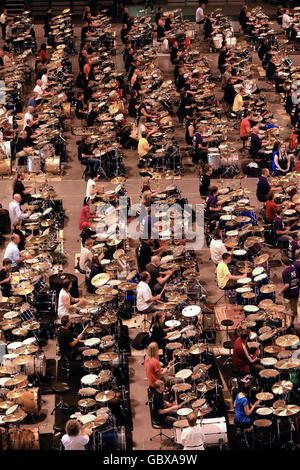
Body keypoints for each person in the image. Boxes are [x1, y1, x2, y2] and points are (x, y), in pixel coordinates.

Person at [280, 256, 299, 324]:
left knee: (287, 310)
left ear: (282, 263)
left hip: (288, 294)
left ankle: (288, 324)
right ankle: (292, 323)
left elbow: (287, 285)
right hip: (296, 291)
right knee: (293, 310)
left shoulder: (285, 272)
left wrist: (281, 292)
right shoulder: (294, 269)